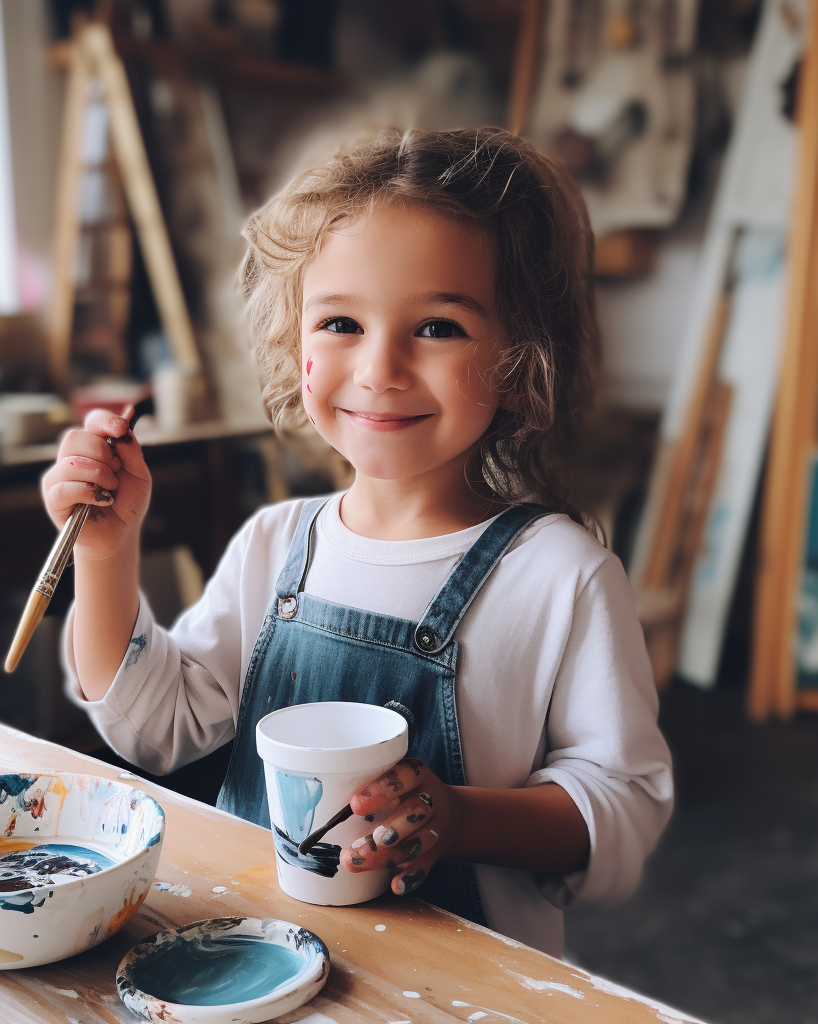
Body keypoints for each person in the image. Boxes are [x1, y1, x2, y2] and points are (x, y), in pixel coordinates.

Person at [43, 127, 673, 957]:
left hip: (461, 998)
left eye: (439, 327)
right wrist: (104, 552)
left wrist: (460, 815)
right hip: (256, 964)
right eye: (340, 321)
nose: (380, 368)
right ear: (294, 341)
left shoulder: (561, 574)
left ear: (519, 356)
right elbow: (153, 729)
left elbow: (622, 808)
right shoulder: (275, 544)